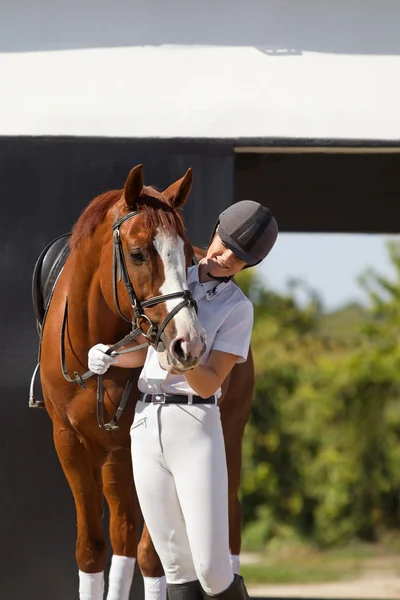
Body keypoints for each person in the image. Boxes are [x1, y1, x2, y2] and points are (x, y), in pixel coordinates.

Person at [88, 201, 278, 600]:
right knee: (176, 566)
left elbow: (209, 383)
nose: (225, 257)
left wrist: (180, 362)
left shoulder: (237, 309)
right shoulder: (172, 277)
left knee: (211, 569)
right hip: (146, 424)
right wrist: (110, 356)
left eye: (239, 257)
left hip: (195, 426)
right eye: (224, 244)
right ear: (214, 233)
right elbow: (146, 349)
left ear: (248, 265)